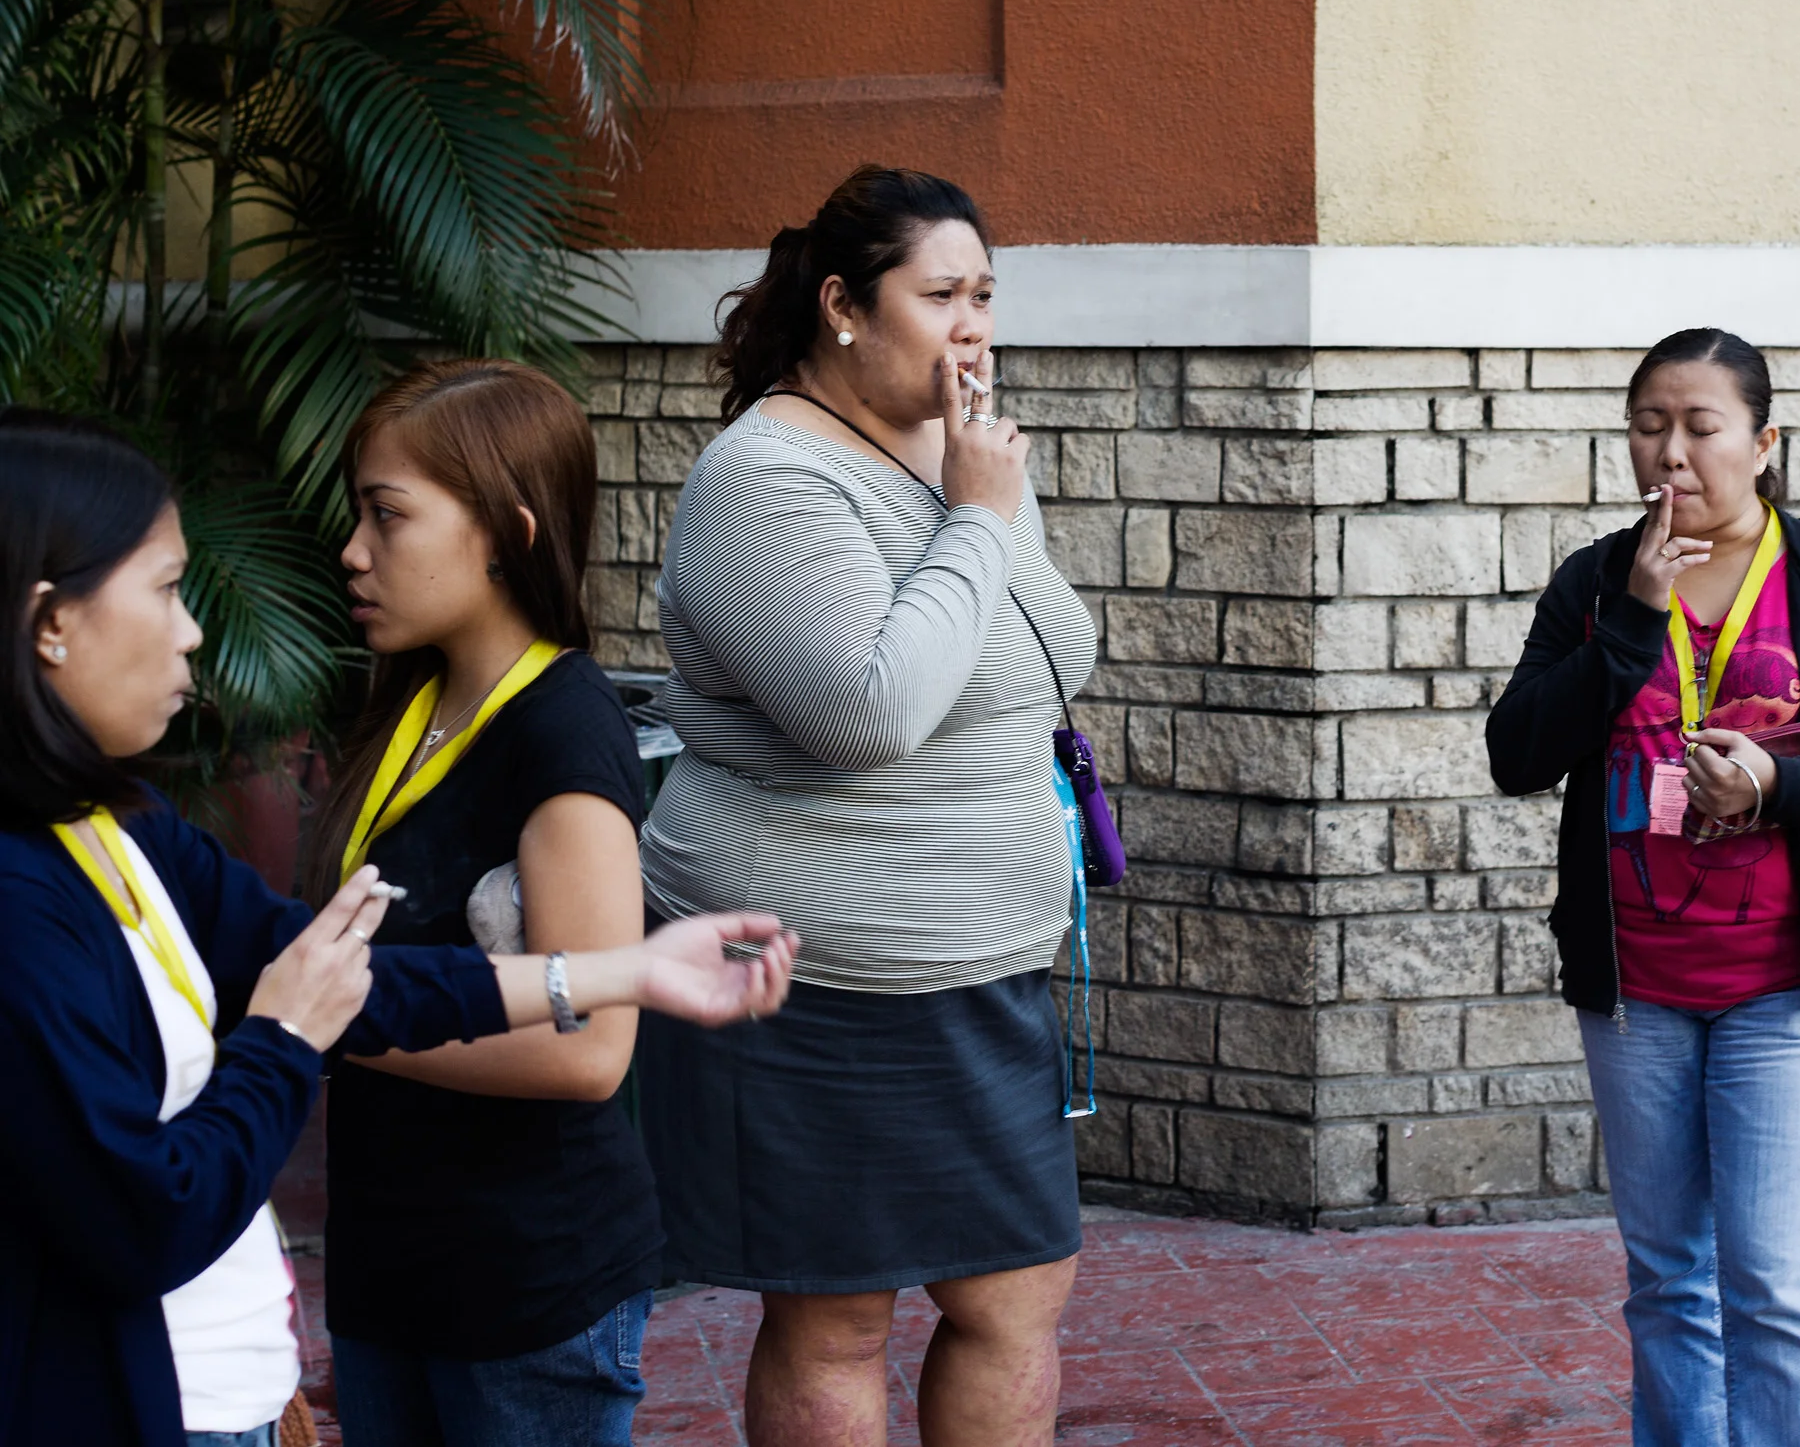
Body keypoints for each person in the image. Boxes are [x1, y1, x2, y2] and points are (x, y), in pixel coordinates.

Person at [0, 408, 796, 1447]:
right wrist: (291, 1033)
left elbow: (365, 982)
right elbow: (173, 1172)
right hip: (335, 1303)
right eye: (165, 589)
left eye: (388, 516)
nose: (195, 627)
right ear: (48, 622)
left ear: (502, 536)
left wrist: (619, 971)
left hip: (508, 1276)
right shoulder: (35, 891)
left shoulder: (126, 827)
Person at [635, 164, 1099, 1447]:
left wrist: (982, 509)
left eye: (986, 295)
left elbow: (1063, 639)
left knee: (1016, 1297)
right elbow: (868, 712)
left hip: (985, 968)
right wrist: (977, 519)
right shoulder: (764, 479)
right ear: (842, 303)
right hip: (825, 978)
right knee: (838, 1320)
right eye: (940, 293)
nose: (974, 327)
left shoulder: (961, 459)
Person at [1488, 328, 1800, 1447]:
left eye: (1700, 427)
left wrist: (1781, 782)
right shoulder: (1598, 580)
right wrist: (1634, 623)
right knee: (1666, 1284)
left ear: (1763, 440)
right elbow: (1516, 753)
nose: (1670, 455)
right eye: (1649, 426)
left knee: (1777, 1291)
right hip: (1635, 989)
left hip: (1783, 992)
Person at [299, 360, 686, 1445]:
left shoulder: (563, 729)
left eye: (389, 517)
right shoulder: (406, 700)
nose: (354, 552)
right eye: (357, 514)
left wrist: (333, 1021)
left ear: (507, 532)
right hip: (390, 1269)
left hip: (527, 1287)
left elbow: (588, 1051)